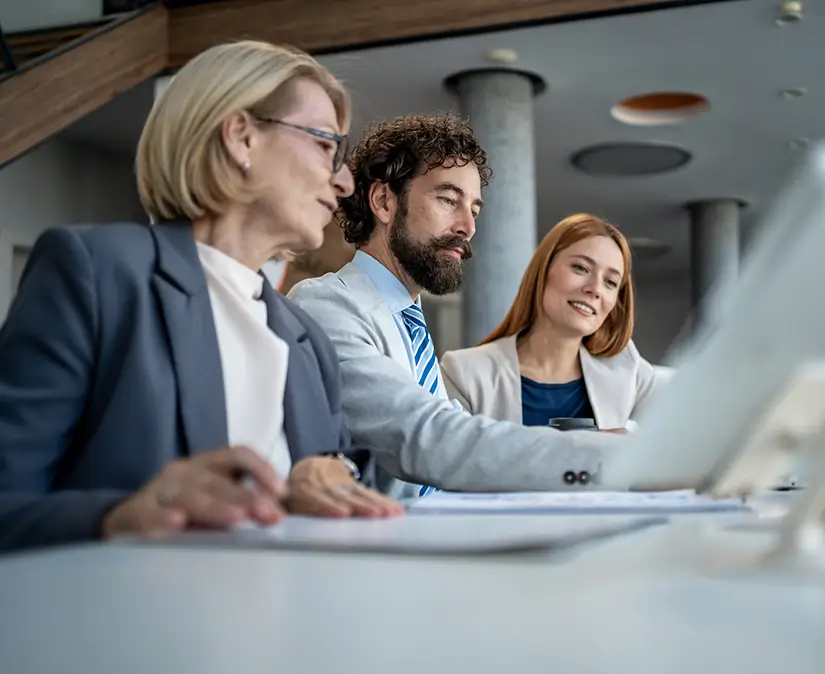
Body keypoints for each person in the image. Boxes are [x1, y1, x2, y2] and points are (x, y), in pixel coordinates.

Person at [0, 40, 401, 552]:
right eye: (327, 146)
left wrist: (331, 476)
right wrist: (122, 514)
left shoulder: (309, 341)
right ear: (241, 137)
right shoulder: (95, 274)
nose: (344, 181)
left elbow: (341, 474)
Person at [288, 114, 617, 499]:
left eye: (474, 210)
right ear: (382, 201)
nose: (468, 227)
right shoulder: (324, 307)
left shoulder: (407, 322)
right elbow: (428, 438)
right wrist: (607, 458)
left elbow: (459, 439)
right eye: (448, 199)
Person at [440, 214, 657, 430]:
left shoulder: (628, 370)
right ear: (543, 270)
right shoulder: (464, 373)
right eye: (581, 268)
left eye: (610, 282)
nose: (595, 289)